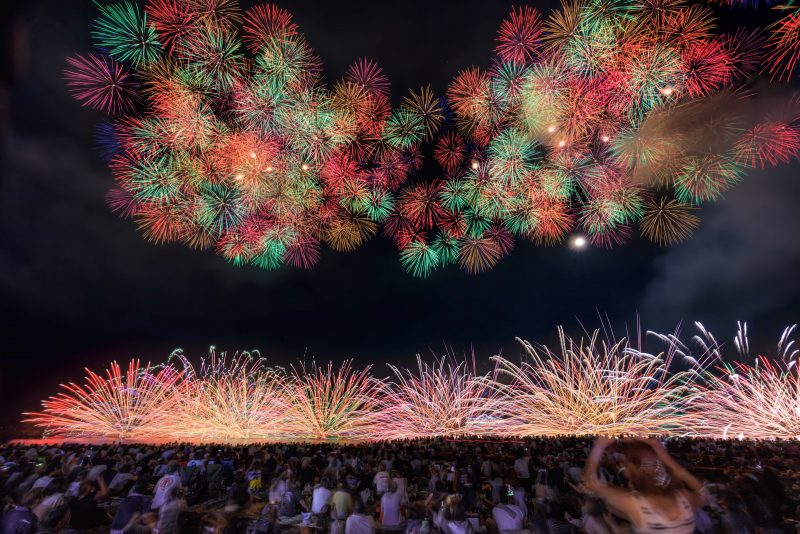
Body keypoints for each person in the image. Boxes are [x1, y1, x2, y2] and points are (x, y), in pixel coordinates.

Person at [584, 437, 704, 534]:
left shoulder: (636, 505)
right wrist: (666, 458)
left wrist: (600, 445)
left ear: (632, 471)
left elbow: (591, 482)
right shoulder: (683, 498)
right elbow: (704, 492)